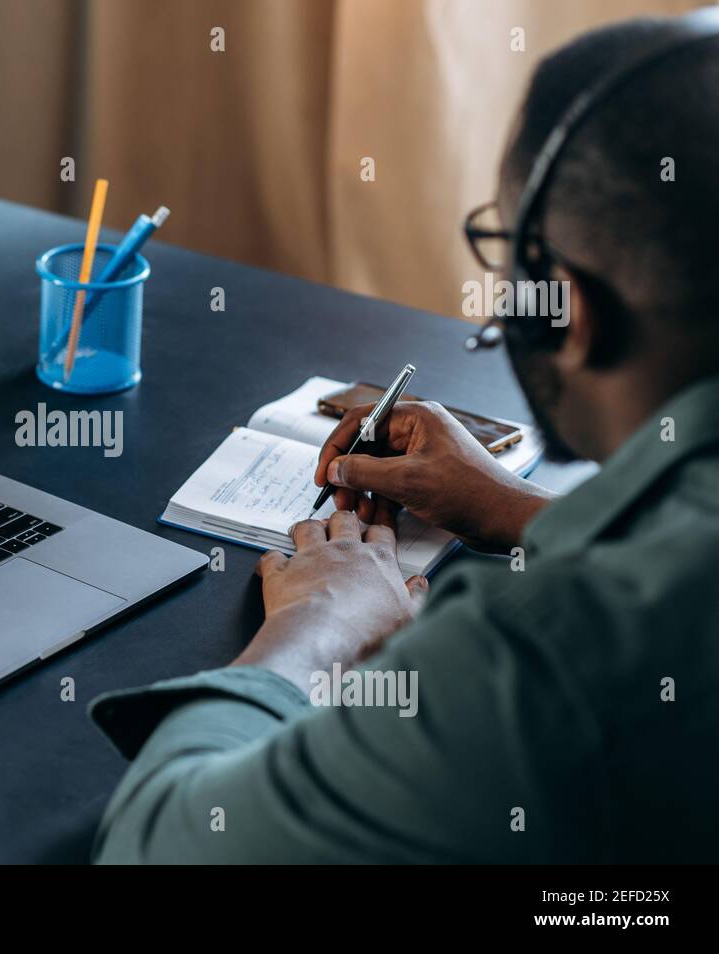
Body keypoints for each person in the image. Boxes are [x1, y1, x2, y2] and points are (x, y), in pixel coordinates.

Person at [90, 15, 719, 863]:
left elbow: (160, 842)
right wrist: (514, 506)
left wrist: (316, 625)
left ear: (562, 310)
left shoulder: (536, 654)